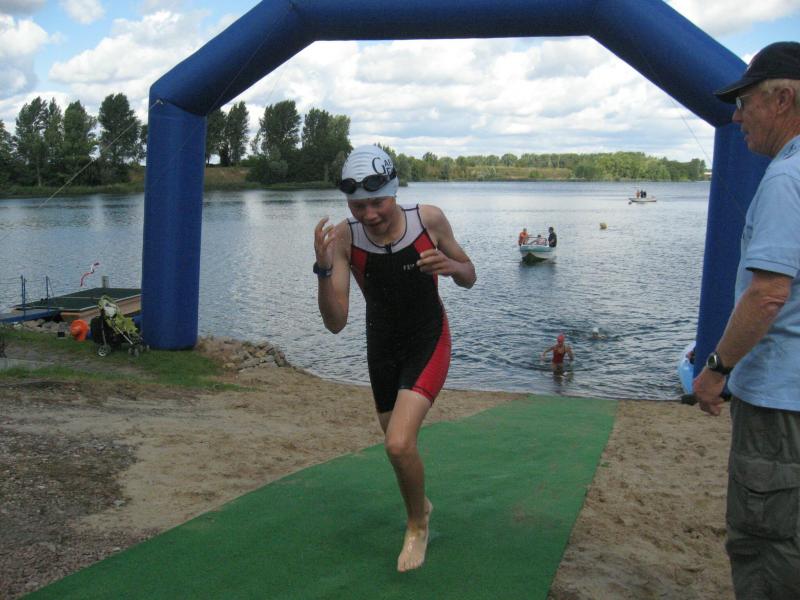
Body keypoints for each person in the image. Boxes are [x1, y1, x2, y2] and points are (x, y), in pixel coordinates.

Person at [313, 144, 476, 573]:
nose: (369, 214)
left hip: (428, 338)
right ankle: (421, 504)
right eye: (358, 205)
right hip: (382, 347)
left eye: (377, 202)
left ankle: (417, 525)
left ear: (393, 192)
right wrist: (323, 270)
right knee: (398, 446)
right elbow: (336, 322)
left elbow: (470, 276)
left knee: (398, 444)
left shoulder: (428, 220)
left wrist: (451, 266)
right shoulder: (346, 238)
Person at [692, 41, 800, 599]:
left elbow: (767, 294)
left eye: (744, 102)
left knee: (766, 543)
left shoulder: (786, 179)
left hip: (780, 401)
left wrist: (716, 369)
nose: (737, 118)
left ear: (782, 100)